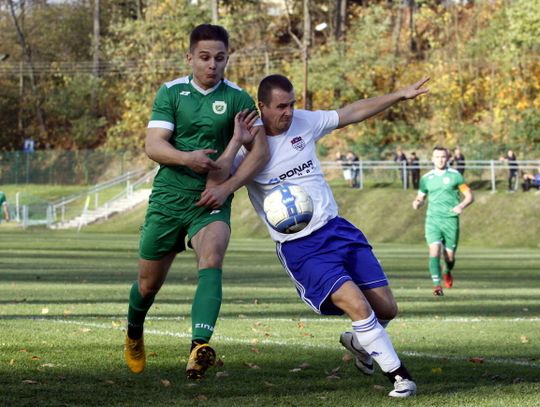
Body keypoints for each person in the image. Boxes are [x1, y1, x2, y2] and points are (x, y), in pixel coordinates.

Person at [211, 74, 430, 397]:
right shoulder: (249, 146)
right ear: (262, 107)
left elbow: (352, 112)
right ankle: (400, 377)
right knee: (358, 306)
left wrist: (398, 95)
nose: (288, 112)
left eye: (292, 104)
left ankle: (359, 341)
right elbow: (217, 178)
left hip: (337, 230)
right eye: (281, 106)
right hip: (302, 247)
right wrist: (233, 142)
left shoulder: (303, 122)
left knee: (387, 309)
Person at [123, 23, 269, 380]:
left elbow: (260, 151)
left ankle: (198, 346)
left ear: (227, 59)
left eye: (219, 58)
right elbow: (153, 145)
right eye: (204, 57)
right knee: (147, 285)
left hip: (211, 200)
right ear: (190, 57)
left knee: (212, 257)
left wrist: (227, 187)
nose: (212, 65)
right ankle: (133, 330)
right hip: (169, 198)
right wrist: (187, 158)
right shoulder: (171, 92)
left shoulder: (238, 99)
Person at [412, 146, 474, 296]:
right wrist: (417, 202)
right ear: (432, 159)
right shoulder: (426, 178)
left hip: (450, 220)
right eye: (437, 157)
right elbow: (421, 196)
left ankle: (448, 270)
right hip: (433, 220)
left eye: (443, 157)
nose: (440, 159)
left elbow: (470, 196)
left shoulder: (456, 176)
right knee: (434, 251)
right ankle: (437, 285)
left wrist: (461, 206)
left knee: (449, 257)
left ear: (448, 158)